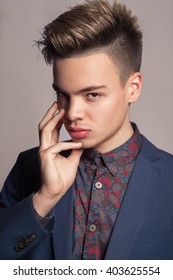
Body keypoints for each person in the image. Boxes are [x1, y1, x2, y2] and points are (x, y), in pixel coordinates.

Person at [0, 0, 173, 260]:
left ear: (133, 88)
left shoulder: (168, 179)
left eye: (92, 94)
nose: (72, 113)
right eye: (62, 94)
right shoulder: (28, 168)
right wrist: (45, 197)